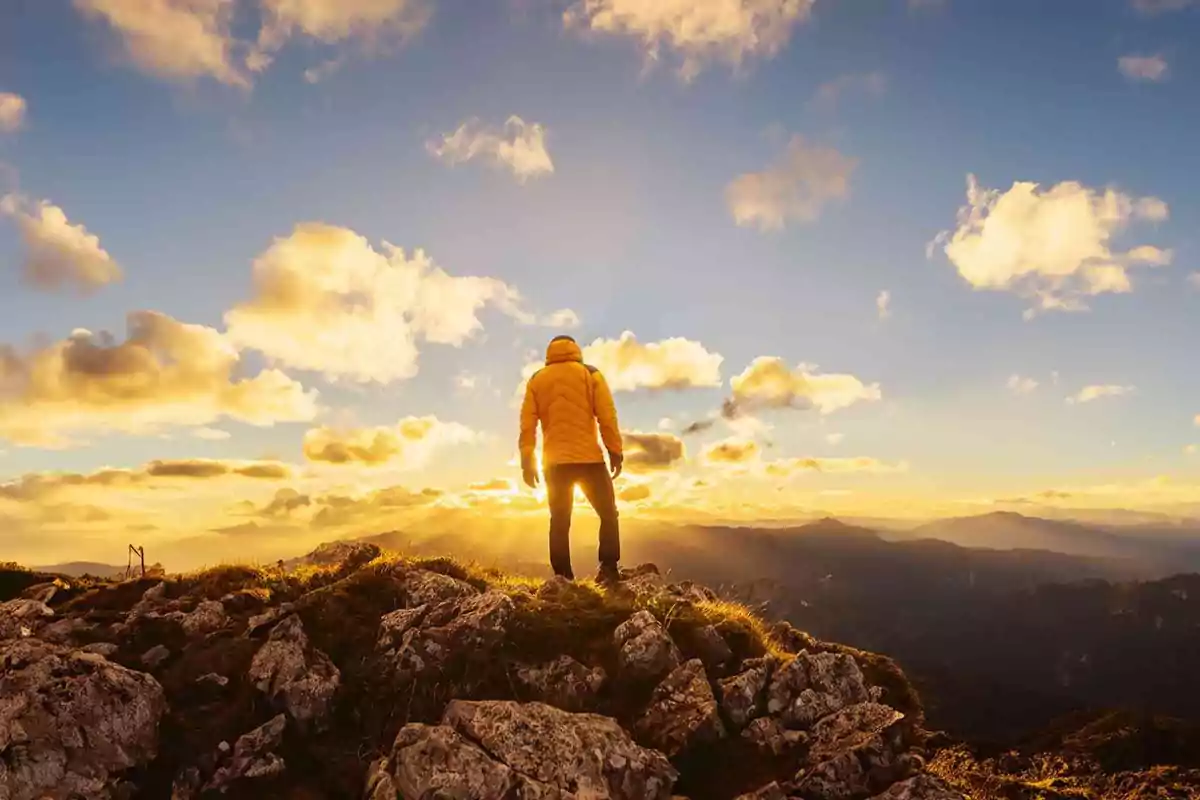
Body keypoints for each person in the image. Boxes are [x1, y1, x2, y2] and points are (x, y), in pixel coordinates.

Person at [519, 335, 624, 583]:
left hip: (554, 463)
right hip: (590, 460)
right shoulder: (590, 374)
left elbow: (527, 425)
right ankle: (608, 569)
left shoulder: (537, 380)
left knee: (559, 521)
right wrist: (615, 450)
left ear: (549, 353)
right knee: (608, 514)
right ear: (576, 349)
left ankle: (563, 578)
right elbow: (607, 416)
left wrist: (527, 460)